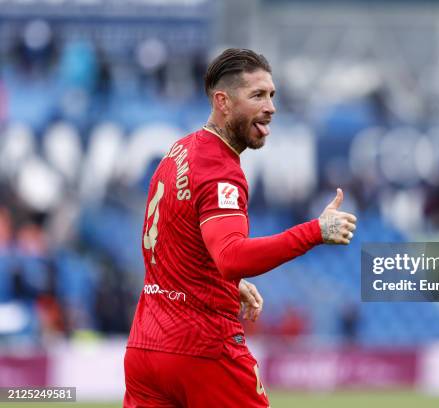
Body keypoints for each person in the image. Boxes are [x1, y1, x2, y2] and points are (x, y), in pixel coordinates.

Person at [124, 48, 357, 408]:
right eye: (258, 95)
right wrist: (316, 231)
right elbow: (231, 257)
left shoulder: (179, 151)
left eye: (272, 96)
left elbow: (172, 242)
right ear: (223, 101)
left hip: (145, 348)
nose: (271, 107)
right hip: (202, 351)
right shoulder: (221, 170)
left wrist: (221, 285)